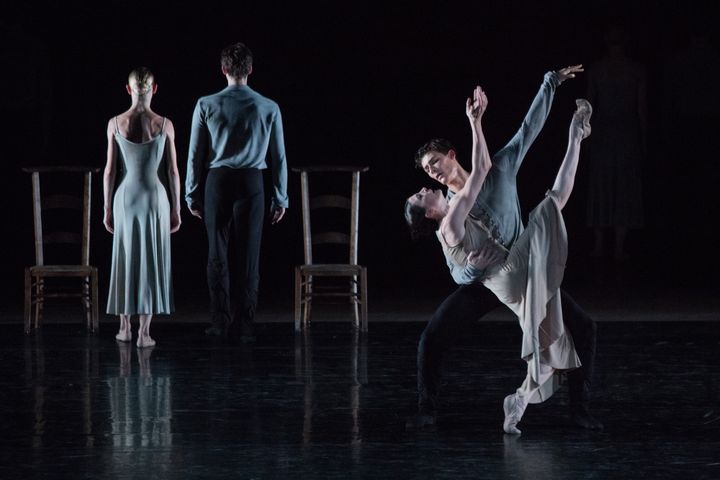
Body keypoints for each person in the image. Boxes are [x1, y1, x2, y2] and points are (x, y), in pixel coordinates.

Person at [405, 66, 602, 432]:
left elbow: (529, 129)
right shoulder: (448, 210)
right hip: (488, 282)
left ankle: (579, 408)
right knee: (433, 337)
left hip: (527, 266)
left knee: (583, 328)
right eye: (426, 171)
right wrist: (471, 271)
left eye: (434, 163)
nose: (431, 173)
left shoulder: (497, 170)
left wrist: (550, 83)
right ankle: (425, 408)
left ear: (450, 155)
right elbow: (456, 267)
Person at [185, 42, 288, 341]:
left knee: (217, 253)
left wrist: (192, 192)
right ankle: (245, 324)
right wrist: (280, 196)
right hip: (252, 182)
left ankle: (220, 321)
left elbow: (195, 154)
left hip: (218, 181)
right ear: (251, 70)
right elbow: (278, 157)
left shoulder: (206, 104)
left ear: (223, 69)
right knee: (249, 256)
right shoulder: (269, 107)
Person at [103, 67, 182, 348]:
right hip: (154, 198)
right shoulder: (165, 124)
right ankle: (144, 333)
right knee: (150, 260)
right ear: (154, 89)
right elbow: (173, 172)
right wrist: (176, 209)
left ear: (128, 89)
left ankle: (124, 328)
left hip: (125, 197)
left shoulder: (115, 123)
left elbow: (110, 171)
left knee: (125, 259)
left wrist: (106, 208)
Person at [585, 23, 647, 260]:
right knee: (621, 188)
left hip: (608, 132)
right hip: (621, 133)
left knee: (604, 186)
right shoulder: (634, 70)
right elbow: (642, 111)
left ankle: (603, 244)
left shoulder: (599, 69)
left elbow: (590, 106)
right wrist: (643, 140)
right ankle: (615, 245)